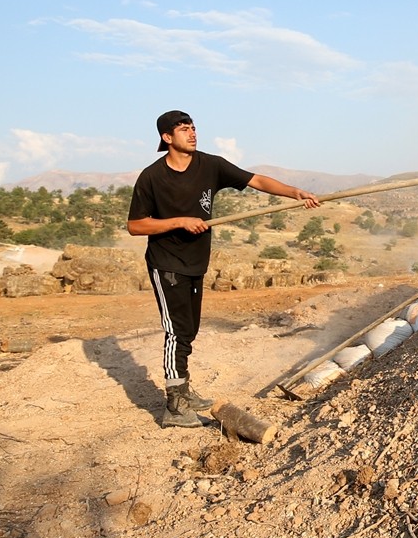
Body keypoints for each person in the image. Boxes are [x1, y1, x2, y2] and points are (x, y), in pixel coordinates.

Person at [127, 110, 320, 428]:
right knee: (176, 331)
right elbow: (135, 226)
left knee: (189, 330)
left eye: (193, 127)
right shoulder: (152, 177)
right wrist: (179, 221)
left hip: (195, 262)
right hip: (166, 263)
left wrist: (295, 193)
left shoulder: (210, 165)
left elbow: (255, 180)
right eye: (183, 129)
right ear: (166, 138)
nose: (192, 133)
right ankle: (174, 407)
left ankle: (184, 390)